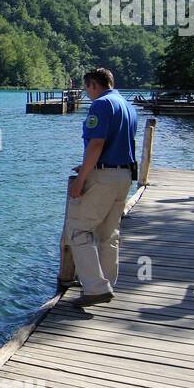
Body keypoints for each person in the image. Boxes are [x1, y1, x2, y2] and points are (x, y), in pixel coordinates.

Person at [65, 67, 139, 307]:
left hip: (103, 176)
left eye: (86, 89)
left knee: (78, 230)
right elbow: (119, 142)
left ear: (93, 85)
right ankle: (105, 283)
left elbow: (97, 143)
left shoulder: (101, 105)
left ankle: (95, 287)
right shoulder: (128, 106)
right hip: (124, 174)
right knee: (108, 233)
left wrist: (81, 179)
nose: (87, 94)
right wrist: (85, 164)